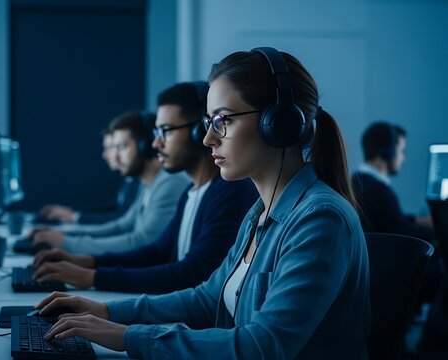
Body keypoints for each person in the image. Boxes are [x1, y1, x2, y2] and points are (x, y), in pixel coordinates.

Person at [33, 48, 371, 359]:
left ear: (278, 124)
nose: (208, 138)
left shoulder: (320, 219)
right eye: (209, 123)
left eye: (224, 120)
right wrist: (107, 312)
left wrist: (128, 337)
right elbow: (207, 298)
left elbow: (264, 345)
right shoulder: (260, 212)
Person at [31, 82, 258, 293]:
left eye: (166, 131)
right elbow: (157, 252)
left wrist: (94, 277)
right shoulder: (191, 193)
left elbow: (191, 273)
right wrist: (88, 262)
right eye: (156, 133)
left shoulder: (230, 193)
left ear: (199, 130)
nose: (155, 144)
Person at [32, 111, 190, 255]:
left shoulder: (170, 183)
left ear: (146, 146)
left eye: (121, 147)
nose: (115, 156)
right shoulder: (147, 185)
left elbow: (142, 241)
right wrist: (64, 233)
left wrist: (68, 243)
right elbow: (121, 226)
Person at [352, 122, 435, 241]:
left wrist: (421, 220)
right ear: (387, 151)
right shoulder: (379, 191)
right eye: (401, 151)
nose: (403, 158)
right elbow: (403, 232)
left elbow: (392, 220)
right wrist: (440, 231)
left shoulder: (358, 180)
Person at [38, 129, 141, 225]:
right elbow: (114, 207)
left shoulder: (140, 181)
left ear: (141, 146)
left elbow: (120, 220)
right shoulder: (129, 179)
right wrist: (73, 212)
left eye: (119, 147)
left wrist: (74, 218)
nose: (106, 155)